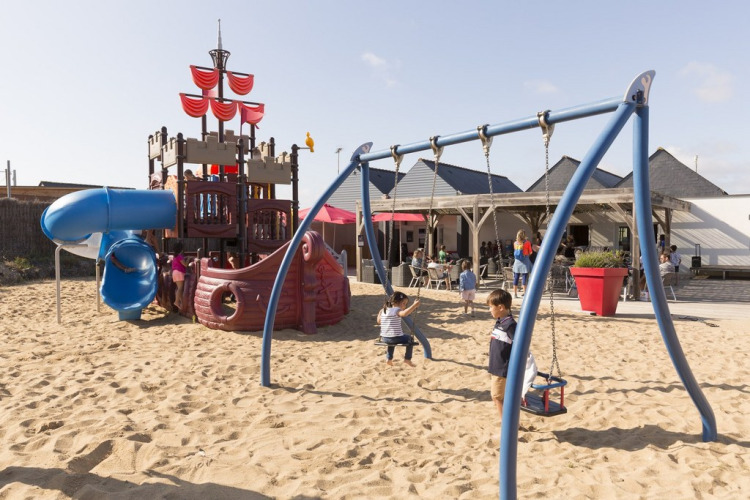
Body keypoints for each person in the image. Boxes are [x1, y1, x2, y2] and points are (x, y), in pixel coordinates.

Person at [486, 288, 516, 420]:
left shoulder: (510, 325)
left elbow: (519, 345)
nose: (489, 310)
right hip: (495, 365)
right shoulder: (500, 322)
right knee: (499, 396)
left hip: (502, 367)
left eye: (491, 307)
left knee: (497, 397)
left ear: (501, 307)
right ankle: (508, 421)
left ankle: (506, 424)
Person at [376, 291, 420, 367]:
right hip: (396, 338)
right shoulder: (397, 310)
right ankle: (407, 359)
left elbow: (379, 321)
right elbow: (404, 314)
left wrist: (380, 313)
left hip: (385, 338)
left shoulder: (384, 310)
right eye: (404, 303)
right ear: (395, 302)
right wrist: (414, 305)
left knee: (391, 344)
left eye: (406, 304)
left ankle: (389, 359)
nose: (405, 306)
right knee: (410, 339)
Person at [512, 230, 534, 299]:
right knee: (524, 277)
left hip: (517, 262)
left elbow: (515, 252)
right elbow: (530, 252)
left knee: (516, 277)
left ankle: (515, 294)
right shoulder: (527, 243)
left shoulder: (515, 243)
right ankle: (525, 293)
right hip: (525, 261)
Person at [170, 242, 187, 309]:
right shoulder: (179, 256)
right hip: (179, 273)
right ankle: (176, 302)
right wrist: (188, 259)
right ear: (181, 249)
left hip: (174, 272)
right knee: (180, 288)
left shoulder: (175, 256)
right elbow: (185, 264)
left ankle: (181, 302)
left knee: (179, 288)